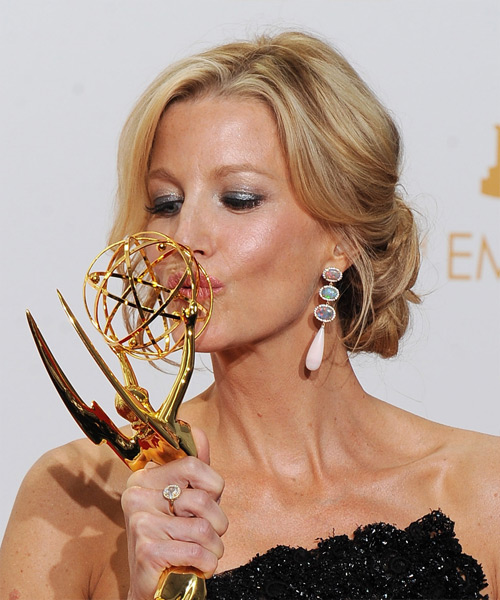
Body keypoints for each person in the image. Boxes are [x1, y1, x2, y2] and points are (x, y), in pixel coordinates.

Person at [1, 30, 499, 600]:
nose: (185, 236)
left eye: (238, 199)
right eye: (166, 203)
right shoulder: (78, 502)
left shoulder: (482, 492)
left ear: (341, 236)